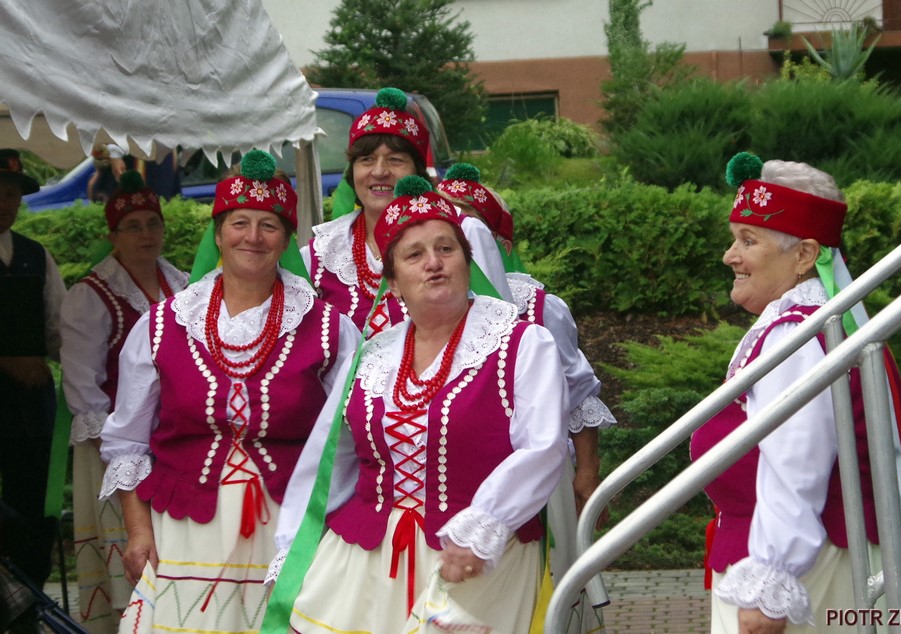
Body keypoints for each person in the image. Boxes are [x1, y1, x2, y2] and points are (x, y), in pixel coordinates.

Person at [266, 175, 568, 633]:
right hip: (366, 561)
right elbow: (329, 464)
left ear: (467, 262)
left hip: (473, 559)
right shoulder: (372, 357)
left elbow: (543, 446)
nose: (434, 263)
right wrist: (292, 549)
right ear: (393, 282)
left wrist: (483, 526)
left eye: (446, 249)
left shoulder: (521, 343)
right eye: (414, 255)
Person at [97, 150, 361, 633]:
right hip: (184, 531)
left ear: (287, 238)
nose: (253, 237)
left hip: (286, 531)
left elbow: (348, 442)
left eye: (269, 225)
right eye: (239, 223)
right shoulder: (163, 326)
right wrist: (137, 531)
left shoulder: (330, 329)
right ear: (218, 234)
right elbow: (127, 441)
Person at [690, 152, 901, 633]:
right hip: (811, 562)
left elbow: (795, 465)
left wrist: (771, 587)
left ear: (803, 255)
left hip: (810, 576)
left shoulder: (797, 336)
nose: (729, 256)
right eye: (734, 239)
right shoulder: (818, 324)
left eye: (748, 240)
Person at [440, 162, 615, 631]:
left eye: (469, 221)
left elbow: (578, 395)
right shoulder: (425, 304)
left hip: (539, 470)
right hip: (457, 471)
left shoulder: (538, 307)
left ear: (501, 243)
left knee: (544, 579)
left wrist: (587, 474)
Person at [60, 171, 189, 633]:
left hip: (172, 443)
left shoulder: (182, 284)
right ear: (112, 236)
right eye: (132, 227)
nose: (145, 234)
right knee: (131, 553)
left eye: (153, 223)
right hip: (111, 446)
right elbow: (84, 390)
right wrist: (122, 460)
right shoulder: (90, 296)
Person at [302, 87, 511, 338]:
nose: (379, 171)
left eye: (395, 160)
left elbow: (501, 332)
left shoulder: (464, 231)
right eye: (367, 159)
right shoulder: (323, 251)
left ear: (417, 172)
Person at [0, 149, 66, 613]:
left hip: (30, 407)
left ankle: (29, 602)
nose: (4, 203)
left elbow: (59, 330)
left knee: (35, 508)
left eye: (11, 195)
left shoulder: (35, 256)